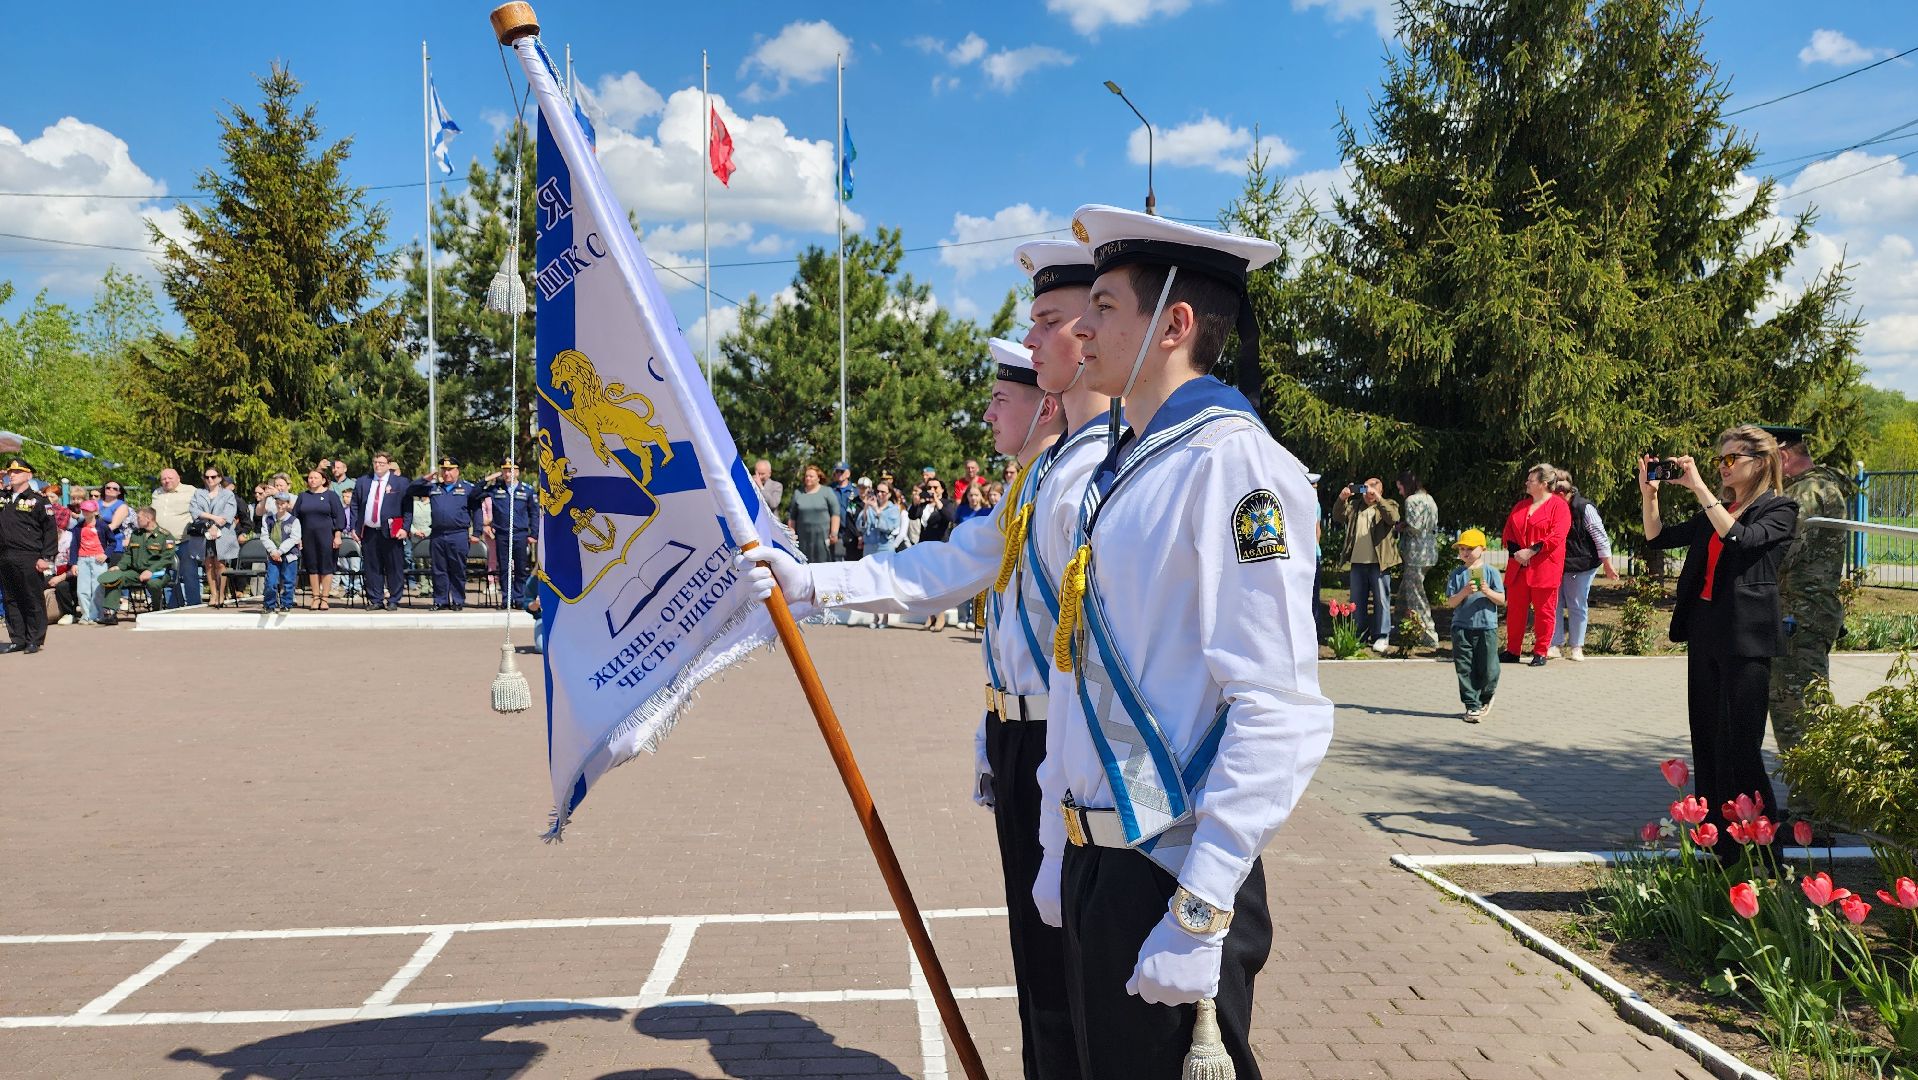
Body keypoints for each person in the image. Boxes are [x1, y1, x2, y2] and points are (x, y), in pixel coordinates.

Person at [748, 240, 1115, 1079]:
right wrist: (814, 582)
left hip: (1070, 752)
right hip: (1028, 744)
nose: (990, 412)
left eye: (1048, 329)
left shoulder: (1089, 477)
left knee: (1071, 973)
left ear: (1046, 407)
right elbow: (942, 573)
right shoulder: (1035, 482)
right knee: (1042, 968)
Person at [1031, 205, 1331, 1078]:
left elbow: (1278, 706)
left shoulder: (1233, 467)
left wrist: (1202, 907)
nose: (1083, 326)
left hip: (1169, 871)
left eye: (1107, 306)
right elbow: (1081, 669)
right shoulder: (1133, 463)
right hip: (1105, 862)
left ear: (1176, 324)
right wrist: (1061, 841)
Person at [1642, 427, 1796, 861]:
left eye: (1731, 459)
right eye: (1719, 460)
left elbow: (1741, 540)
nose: (1723, 466)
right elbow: (1657, 537)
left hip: (1745, 639)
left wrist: (1700, 488)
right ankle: (1723, 847)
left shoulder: (1780, 508)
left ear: (1760, 462)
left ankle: (1767, 854)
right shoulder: (1720, 508)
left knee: (1741, 746)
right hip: (1706, 630)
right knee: (1708, 740)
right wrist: (1649, 492)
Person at [1762, 425, 1851, 767]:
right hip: (1800, 614)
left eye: (1764, 459)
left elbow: (1780, 551)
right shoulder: (1811, 487)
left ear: (1782, 456)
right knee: (1798, 712)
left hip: (1800, 617)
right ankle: (1809, 808)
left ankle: (1813, 814)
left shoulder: (1809, 491)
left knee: (1799, 715)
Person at [1500, 463, 1571, 665]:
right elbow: (1509, 532)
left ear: (1544, 483)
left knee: (1544, 612)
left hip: (1544, 568)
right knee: (1515, 611)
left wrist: (1531, 551)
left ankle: (1540, 651)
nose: (1526, 483)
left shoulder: (1559, 506)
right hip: (1518, 568)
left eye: (1531, 480)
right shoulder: (1520, 506)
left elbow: (1557, 535)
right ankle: (1512, 651)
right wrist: (1518, 554)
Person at [1552, 471, 1620, 661]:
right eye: (1556, 484)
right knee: (1554, 604)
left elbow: (1600, 535)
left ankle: (1577, 646)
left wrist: (1608, 563)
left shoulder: (1584, 507)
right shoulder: (1551, 506)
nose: (1560, 488)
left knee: (1576, 604)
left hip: (1583, 563)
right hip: (1557, 564)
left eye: (1563, 484)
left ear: (1570, 487)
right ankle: (1555, 644)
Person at [1444, 528, 1507, 722]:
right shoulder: (1457, 574)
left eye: (1470, 548)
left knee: (1489, 668)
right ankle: (1472, 705)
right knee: (1464, 667)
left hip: (1486, 627)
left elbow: (1502, 600)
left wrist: (1487, 591)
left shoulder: (1491, 572)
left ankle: (1486, 696)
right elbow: (1451, 602)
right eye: (1462, 548)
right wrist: (1464, 592)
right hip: (1462, 627)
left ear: (1483, 549)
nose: (1465, 552)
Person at [408, 457, 485, 610]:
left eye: (450, 470)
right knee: (439, 569)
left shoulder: (467, 488)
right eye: (444, 469)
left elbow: (476, 511)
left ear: (457, 471)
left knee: (457, 568)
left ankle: (457, 600)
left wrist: (477, 532)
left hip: (458, 534)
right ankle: (440, 600)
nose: (446, 473)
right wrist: (425, 479)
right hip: (437, 534)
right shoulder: (434, 487)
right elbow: (411, 490)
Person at [1335, 477, 1400, 652]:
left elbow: (1393, 518)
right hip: (1357, 562)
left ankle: (1382, 636)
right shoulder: (1355, 506)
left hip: (1379, 563)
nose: (1369, 492)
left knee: (1381, 600)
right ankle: (1360, 635)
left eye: (1374, 489)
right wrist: (1342, 499)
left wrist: (1378, 499)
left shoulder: (1389, 504)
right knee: (1357, 601)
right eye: (1366, 488)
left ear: (1380, 491)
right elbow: (1338, 516)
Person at [0, 459, 58, 653]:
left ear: (29, 475)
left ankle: (34, 639)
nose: (12, 474)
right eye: (10, 471)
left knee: (32, 598)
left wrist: (47, 558)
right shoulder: (3, 497)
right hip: (5, 555)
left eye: (17, 471)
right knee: (11, 599)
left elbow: (50, 531)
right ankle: (18, 639)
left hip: (29, 556)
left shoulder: (38, 500)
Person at [354, 452, 412, 610]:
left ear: (389, 464)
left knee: (394, 566)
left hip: (392, 531)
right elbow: (355, 505)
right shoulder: (363, 482)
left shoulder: (400, 482)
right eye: (375, 462)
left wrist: (405, 528)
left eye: (381, 462)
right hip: (369, 531)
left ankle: (394, 599)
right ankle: (376, 599)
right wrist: (355, 527)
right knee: (372, 567)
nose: (378, 465)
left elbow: (408, 508)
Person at [97, 507, 174, 619]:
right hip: (136, 572)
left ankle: (157, 610)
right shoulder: (136, 534)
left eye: (139, 517)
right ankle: (110, 612)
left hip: (157, 573)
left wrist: (150, 571)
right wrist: (119, 567)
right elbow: (129, 554)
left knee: (153, 584)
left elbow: (167, 558)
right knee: (114, 578)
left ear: (148, 518)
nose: (136, 520)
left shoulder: (165, 536)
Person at [482, 460, 538, 609]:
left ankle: (519, 598)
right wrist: (489, 479)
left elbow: (534, 513)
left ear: (517, 472)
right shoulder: (496, 489)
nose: (508, 474)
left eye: (511, 470)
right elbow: (476, 492)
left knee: (520, 568)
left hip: (520, 534)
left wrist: (534, 533)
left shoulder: (527, 490)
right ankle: (506, 598)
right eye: (505, 470)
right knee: (504, 568)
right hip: (502, 534)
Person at [1396, 470, 1440, 647]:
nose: (1400, 492)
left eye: (1400, 488)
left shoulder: (1411, 500)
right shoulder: (1429, 499)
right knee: (1404, 593)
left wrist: (1401, 526)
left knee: (1416, 596)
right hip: (1429, 551)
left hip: (1416, 554)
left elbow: (1415, 525)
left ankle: (1428, 634)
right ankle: (1400, 627)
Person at [294, 468, 346, 610]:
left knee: (326, 567)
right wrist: (298, 537)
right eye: (310, 478)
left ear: (323, 480)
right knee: (313, 567)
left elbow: (339, 516)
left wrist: (337, 535)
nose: (312, 480)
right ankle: (315, 597)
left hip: (327, 536)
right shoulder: (303, 496)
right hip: (308, 537)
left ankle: (324, 598)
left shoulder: (331, 496)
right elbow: (295, 518)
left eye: (316, 477)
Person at [191, 466, 240, 608]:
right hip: (204, 534)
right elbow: (194, 511)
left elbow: (229, 513)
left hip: (222, 533)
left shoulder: (227, 494)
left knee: (220, 563)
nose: (210, 480)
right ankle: (213, 593)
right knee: (208, 563)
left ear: (219, 478)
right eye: (207, 477)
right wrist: (211, 520)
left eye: (213, 477)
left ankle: (221, 593)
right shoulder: (199, 493)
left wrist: (216, 526)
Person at [150, 468, 199, 608]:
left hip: (185, 540)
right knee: (167, 575)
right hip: (163, 542)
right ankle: (173, 606)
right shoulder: (157, 493)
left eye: (170, 478)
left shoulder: (191, 491)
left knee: (189, 574)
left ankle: (194, 606)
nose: (166, 481)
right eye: (163, 479)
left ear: (178, 478)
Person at [69, 499, 113, 625]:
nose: (85, 513)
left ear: (95, 511)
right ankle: (86, 615)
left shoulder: (102, 525)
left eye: (88, 511)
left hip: (98, 560)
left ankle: (96, 615)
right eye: (83, 510)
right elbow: (74, 545)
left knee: (98, 588)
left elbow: (112, 542)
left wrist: (105, 555)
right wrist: (74, 563)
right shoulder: (78, 527)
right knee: (82, 589)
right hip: (82, 559)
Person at [785, 465, 840, 564]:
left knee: (823, 565)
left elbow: (835, 514)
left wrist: (834, 532)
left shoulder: (827, 492)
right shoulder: (798, 493)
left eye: (811, 476)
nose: (808, 478)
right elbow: (792, 517)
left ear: (818, 478)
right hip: (803, 538)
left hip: (822, 538)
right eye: (806, 476)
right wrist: (792, 534)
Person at [260, 492, 302, 613]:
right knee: (271, 581)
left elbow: (294, 538)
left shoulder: (294, 521)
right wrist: (273, 551)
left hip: (289, 555)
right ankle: (269, 605)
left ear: (288, 504)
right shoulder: (268, 519)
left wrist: (280, 551)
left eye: (283, 503)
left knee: (289, 581)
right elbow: (264, 536)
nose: (280, 506)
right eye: (278, 503)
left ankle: (286, 604)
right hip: (273, 556)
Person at [831, 463, 861, 561]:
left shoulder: (856, 490)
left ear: (848, 473)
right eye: (837, 471)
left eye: (842, 471)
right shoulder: (830, 490)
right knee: (837, 563)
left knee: (852, 563)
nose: (839, 474)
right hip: (836, 533)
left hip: (853, 533)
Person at [97, 481, 131, 565]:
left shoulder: (122, 506)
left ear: (119, 492)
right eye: (108, 487)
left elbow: (114, 525)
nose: (111, 489)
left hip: (113, 544)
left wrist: (93, 532)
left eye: (115, 488)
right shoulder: (97, 503)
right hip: (94, 544)